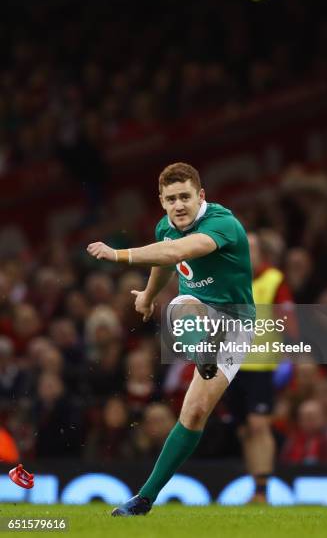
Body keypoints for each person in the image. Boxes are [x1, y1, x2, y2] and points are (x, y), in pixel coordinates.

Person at [87, 162, 255, 516]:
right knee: (181, 307)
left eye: (185, 197)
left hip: (235, 325)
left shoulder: (223, 223)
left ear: (201, 196)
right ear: (161, 201)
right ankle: (143, 501)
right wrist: (147, 296)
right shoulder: (165, 225)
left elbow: (175, 253)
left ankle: (202, 353)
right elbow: (163, 262)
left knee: (183, 308)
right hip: (198, 317)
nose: (178, 205)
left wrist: (118, 254)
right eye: (171, 199)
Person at [225, 231, 295, 502]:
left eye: (251, 247)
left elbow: (289, 322)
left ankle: (262, 490)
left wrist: (291, 352)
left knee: (258, 425)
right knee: (243, 429)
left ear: (260, 252)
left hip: (261, 365)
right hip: (230, 365)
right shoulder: (228, 279)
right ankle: (256, 485)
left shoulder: (273, 280)